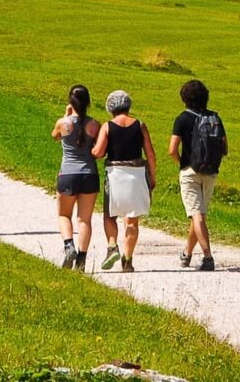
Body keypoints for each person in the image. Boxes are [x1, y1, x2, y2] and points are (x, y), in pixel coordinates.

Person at [93, 90, 156, 272]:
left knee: (110, 215)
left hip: (115, 174)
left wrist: (88, 149)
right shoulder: (140, 125)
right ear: (128, 105)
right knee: (132, 220)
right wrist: (152, 176)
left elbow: (98, 152)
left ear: (110, 107)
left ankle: (112, 246)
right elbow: (150, 153)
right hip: (137, 174)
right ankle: (127, 259)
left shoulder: (107, 126)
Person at [170, 78, 228, 271]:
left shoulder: (183, 119)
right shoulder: (214, 118)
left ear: (184, 98)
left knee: (197, 215)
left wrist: (182, 164)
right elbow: (225, 148)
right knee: (199, 215)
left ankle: (207, 257)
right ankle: (187, 254)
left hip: (190, 171)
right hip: (211, 172)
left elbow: (172, 149)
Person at [53, 84, 101, 269]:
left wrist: (66, 115)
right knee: (84, 220)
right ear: (88, 102)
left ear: (70, 102)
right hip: (89, 174)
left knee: (64, 215)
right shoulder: (94, 124)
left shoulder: (63, 123)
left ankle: (68, 246)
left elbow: (55, 136)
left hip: (68, 174)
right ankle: (81, 259)